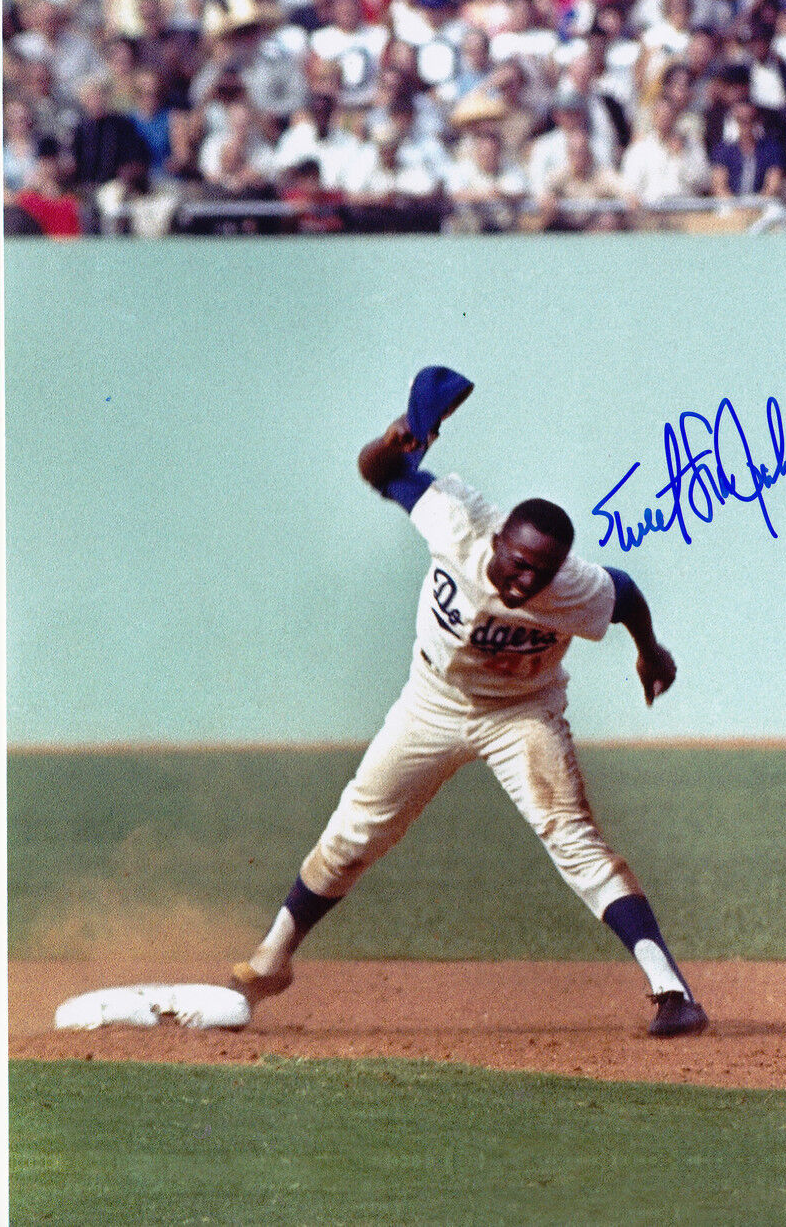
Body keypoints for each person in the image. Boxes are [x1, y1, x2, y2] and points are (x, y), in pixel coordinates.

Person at [230, 368, 708, 1038]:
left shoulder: (573, 586)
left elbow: (624, 595)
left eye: (538, 572)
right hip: (433, 699)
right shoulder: (455, 524)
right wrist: (396, 438)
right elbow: (379, 474)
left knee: (572, 839)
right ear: (500, 540)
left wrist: (649, 652)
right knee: (357, 827)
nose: (523, 579)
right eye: (516, 561)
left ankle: (673, 991)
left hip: (522, 713)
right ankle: (273, 958)